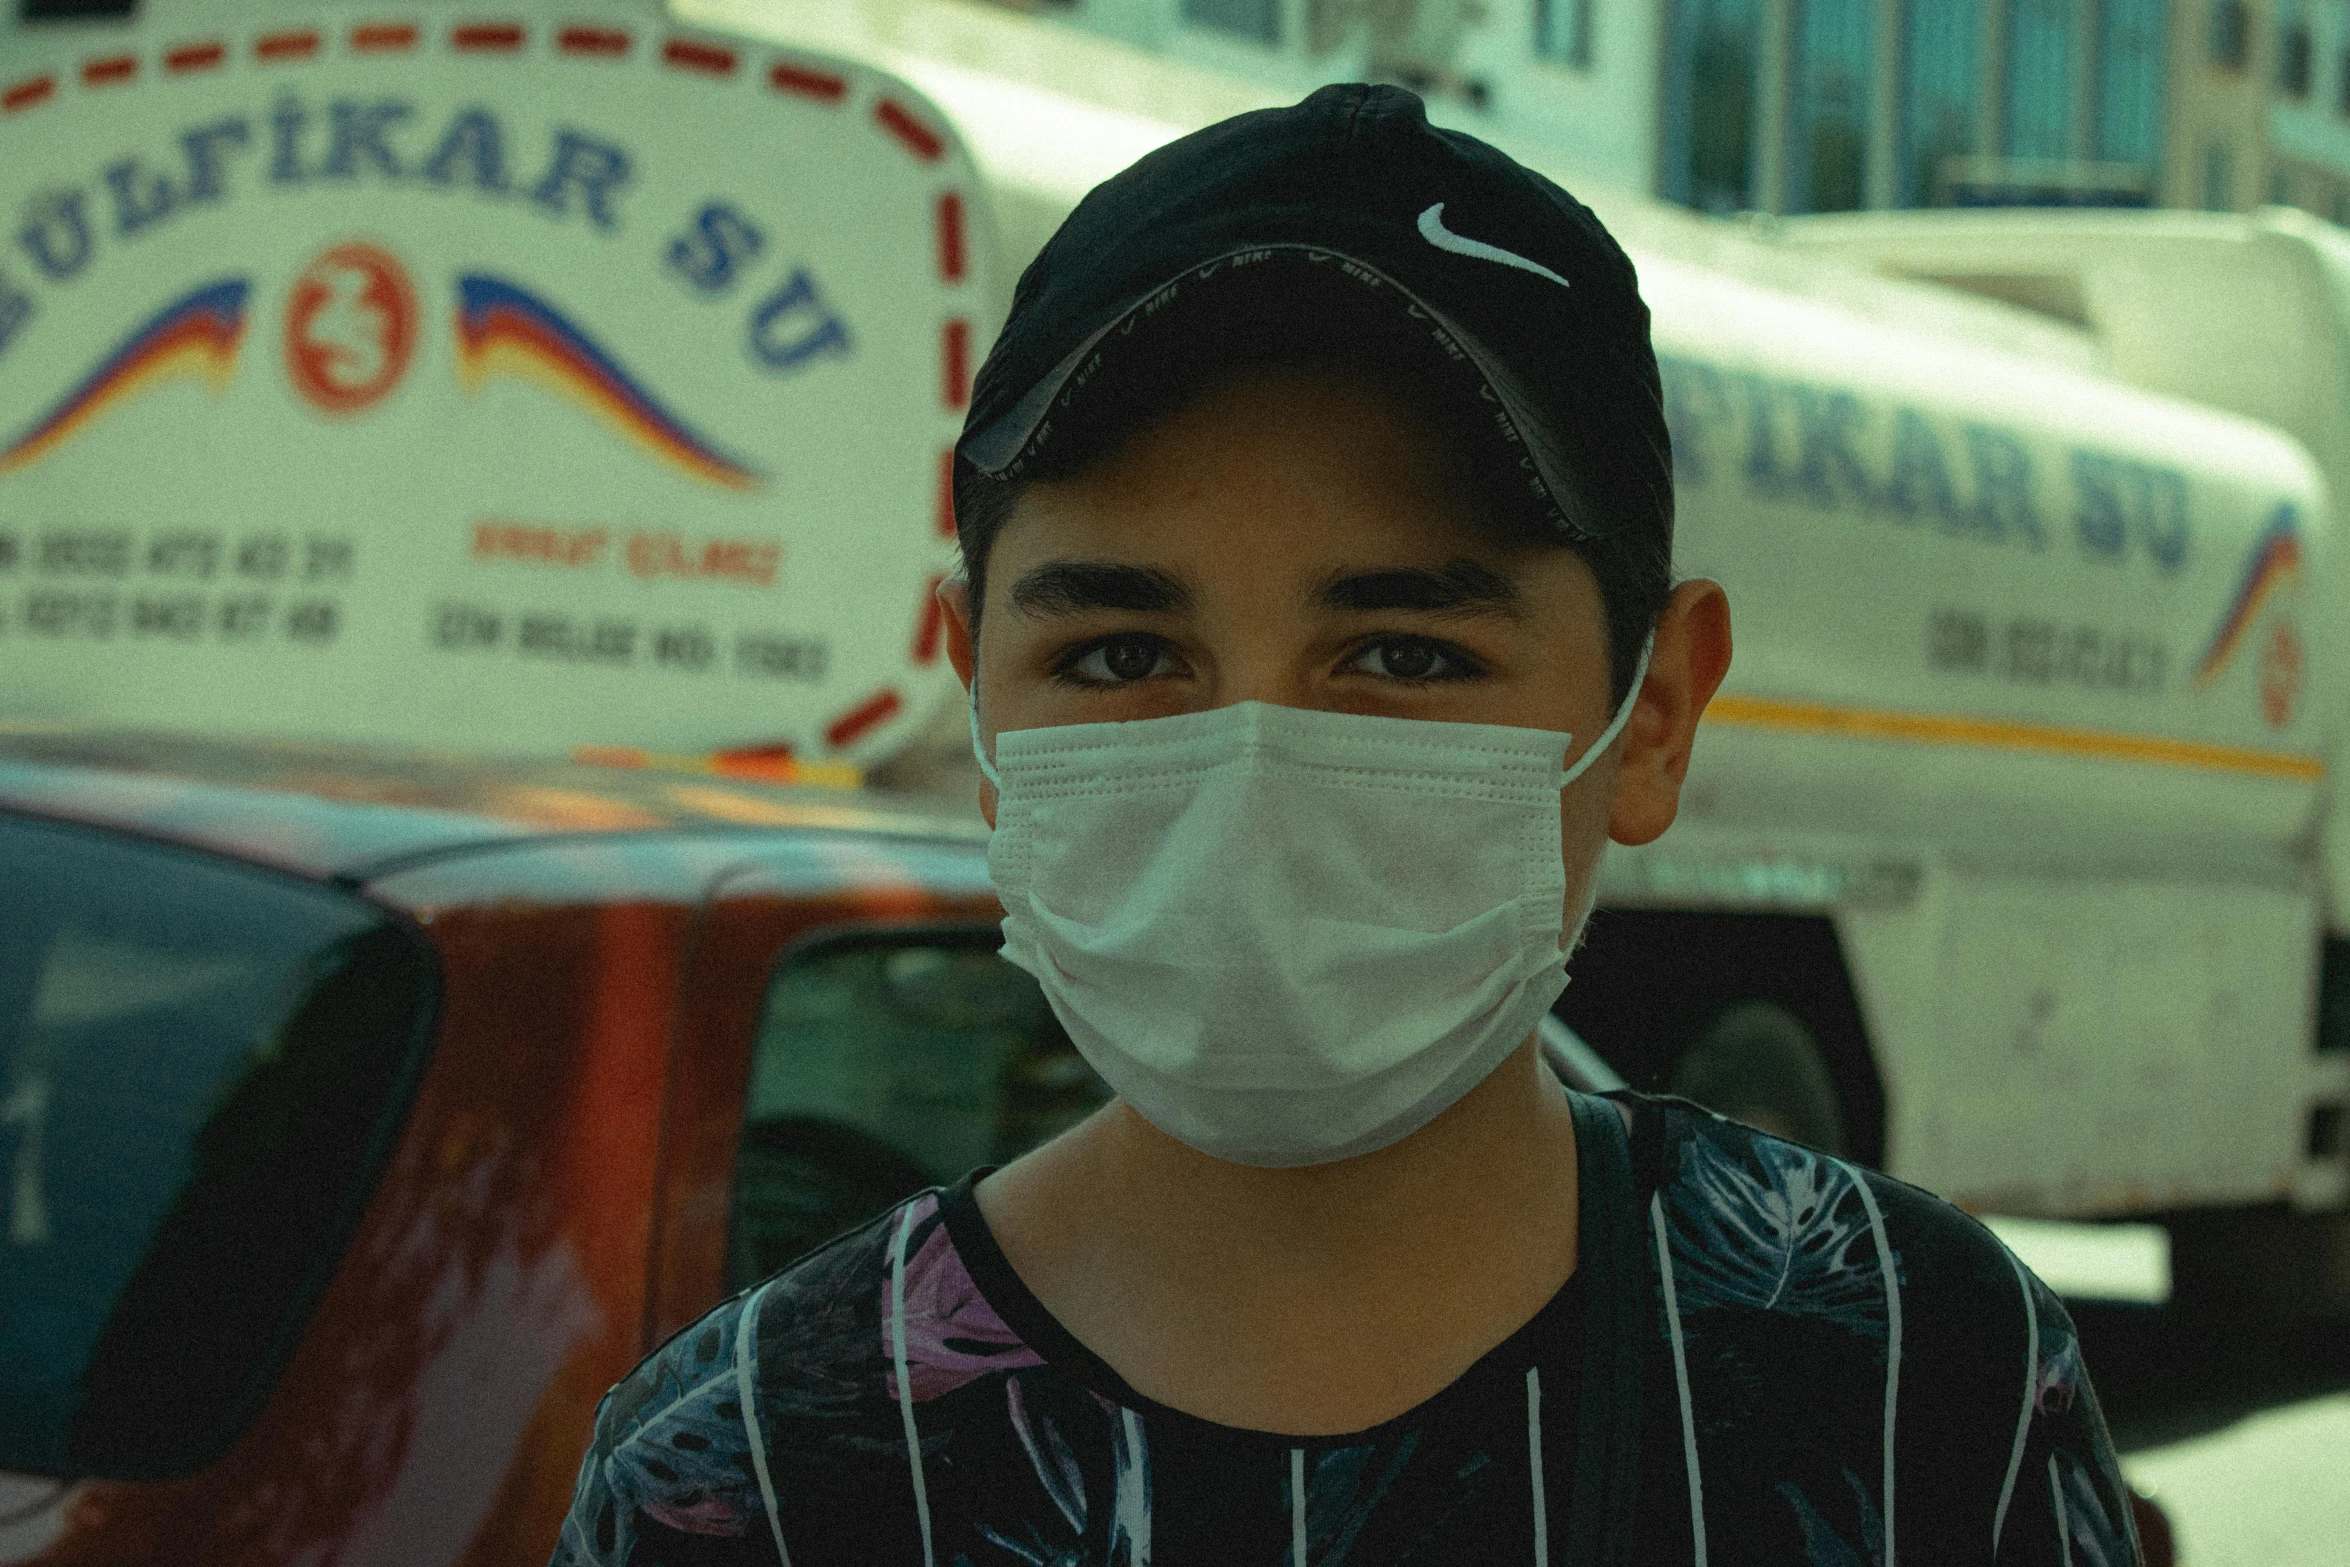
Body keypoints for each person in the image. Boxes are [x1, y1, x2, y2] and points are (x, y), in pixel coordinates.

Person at [550, 84, 2139, 1566]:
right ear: (978, 705)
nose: (1250, 768)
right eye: (1119, 655)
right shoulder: (747, 1470)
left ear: (1652, 714)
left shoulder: (1919, 1385)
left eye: (1403, 655)